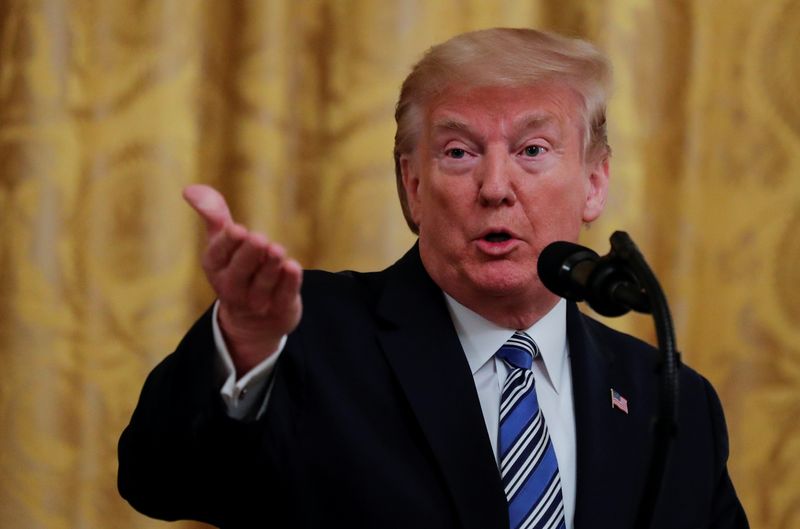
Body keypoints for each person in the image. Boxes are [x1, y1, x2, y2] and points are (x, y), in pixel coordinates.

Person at [118, 28, 749, 529]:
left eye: (533, 150)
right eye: (459, 152)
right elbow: (159, 480)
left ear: (594, 182)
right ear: (413, 186)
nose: (496, 188)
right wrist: (244, 349)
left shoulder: (674, 402)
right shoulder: (308, 335)